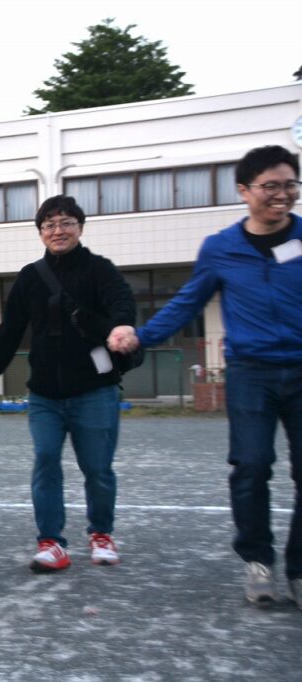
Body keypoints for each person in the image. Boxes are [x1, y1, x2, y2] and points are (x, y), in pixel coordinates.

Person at [108, 145, 302, 609]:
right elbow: (187, 303)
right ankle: (257, 561)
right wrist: (141, 336)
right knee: (251, 465)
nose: (282, 194)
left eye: (290, 184)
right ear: (244, 191)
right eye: (270, 186)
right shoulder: (221, 248)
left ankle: (299, 568)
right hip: (251, 372)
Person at [0, 195, 136, 573]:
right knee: (46, 461)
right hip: (44, 395)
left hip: (94, 390)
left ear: (80, 227)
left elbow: (121, 301)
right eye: (49, 225)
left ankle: (101, 533)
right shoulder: (30, 277)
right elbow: (9, 330)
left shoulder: (100, 269)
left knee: (98, 468)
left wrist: (121, 326)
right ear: (40, 233)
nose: (58, 230)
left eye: (66, 222)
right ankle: (51, 542)